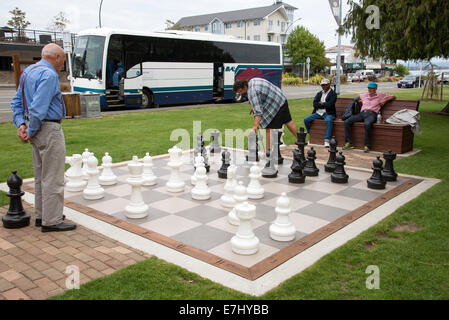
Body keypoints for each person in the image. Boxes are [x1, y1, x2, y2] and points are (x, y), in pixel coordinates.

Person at [11, 43, 77, 232]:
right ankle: (52, 221)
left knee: (41, 176)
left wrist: (21, 124)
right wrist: (30, 128)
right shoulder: (49, 75)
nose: (62, 64)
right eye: (62, 60)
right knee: (53, 177)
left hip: (36, 128)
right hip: (47, 128)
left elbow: (17, 101)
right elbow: (38, 107)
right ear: (56, 57)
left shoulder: (28, 72)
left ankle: (42, 215)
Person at [232, 78, 298, 151]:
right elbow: (260, 97)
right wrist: (253, 106)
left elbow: (258, 112)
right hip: (281, 97)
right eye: (239, 92)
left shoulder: (252, 91)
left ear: (244, 87)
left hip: (275, 103)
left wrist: (255, 127)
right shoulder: (252, 81)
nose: (241, 93)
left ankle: (268, 152)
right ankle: (301, 140)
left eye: (241, 91)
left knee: (268, 128)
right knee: (288, 121)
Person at [342, 82, 396, 152]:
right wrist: (359, 100)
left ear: (375, 89)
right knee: (347, 122)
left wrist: (385, 101)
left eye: (371, 88)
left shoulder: (380, 95)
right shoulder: (364, 95)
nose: (369, 90)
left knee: (367, 124)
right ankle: (349, 143)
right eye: (369, 88)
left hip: (372, 114)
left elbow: (393, 96)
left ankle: (367, 146)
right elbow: (357, 97)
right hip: (362, 113)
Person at [303, 78, 337, 148]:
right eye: (322, 85)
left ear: (329, 85)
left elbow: (330, 104)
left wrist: (322, 103)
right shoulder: (319, 93)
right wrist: (324, 104)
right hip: (318, 113)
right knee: (306, 119)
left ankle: (327, 140)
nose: (323, 86)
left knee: (328, 120)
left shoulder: (333, 94)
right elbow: (315, 104)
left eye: (325, 85)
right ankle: (311, 134)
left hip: (329, 113)